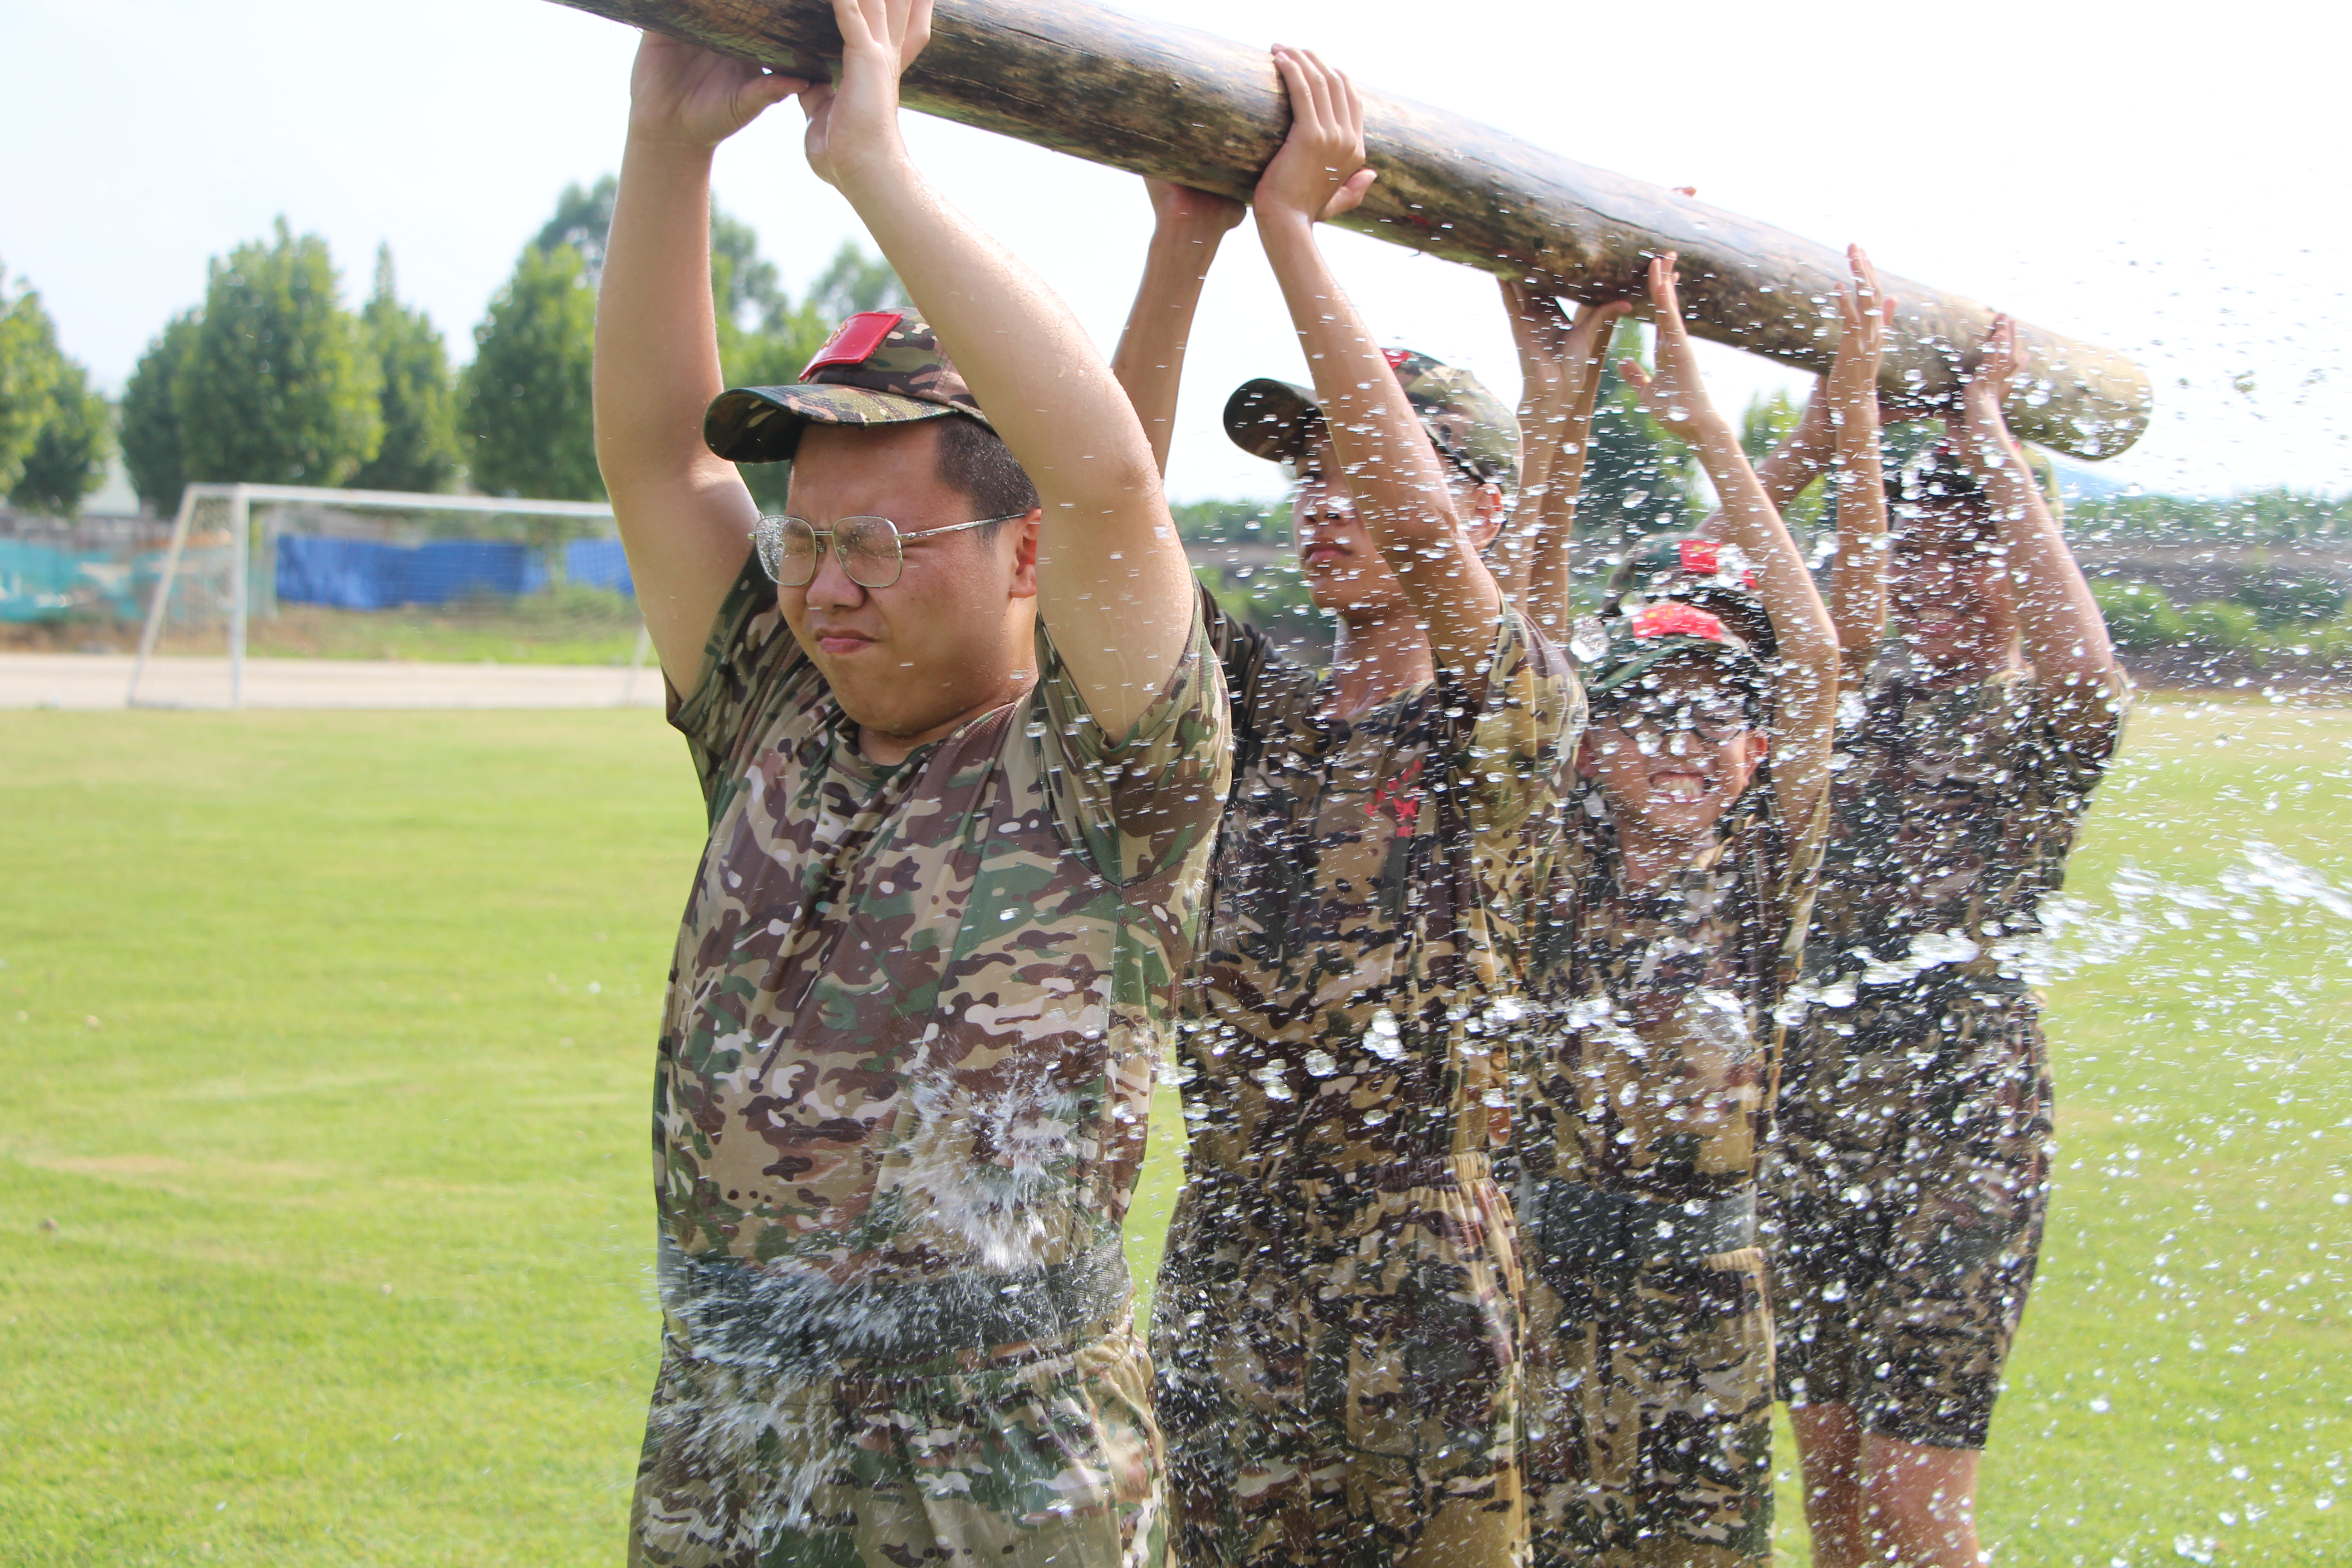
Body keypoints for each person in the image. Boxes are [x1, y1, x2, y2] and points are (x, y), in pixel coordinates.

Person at [591, 2, 1230, 1563]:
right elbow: (663, 466)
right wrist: (666, 152)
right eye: (809, 542)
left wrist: (871, 161)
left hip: (999, 1462)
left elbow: (1108, 477)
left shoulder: (1106, 761)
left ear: (1024, 555)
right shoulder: (773, 710)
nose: (827, 588)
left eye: (880, 544)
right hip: (730, 1425)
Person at [1107, 48, 1584, 1568]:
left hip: (1418, 1262)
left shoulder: (1509, 706)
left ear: (1485, 507)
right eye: (1303, 467)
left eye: (1359, 459)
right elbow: (1107, 531)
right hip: (1231, 1235)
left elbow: (1439, 549)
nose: (1327, 494)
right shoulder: (1260, 708)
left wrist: (1296, 237)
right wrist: (1186, 249)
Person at [1510, 251, 1864, 1568]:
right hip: (1544, 1288)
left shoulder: (1769, 861)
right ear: (1594, 742)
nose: (1679, 742)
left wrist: (1705, 425)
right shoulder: (1553, 847)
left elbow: (1817, 653)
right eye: (1647, 712)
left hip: (1709, 1297)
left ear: (1758, 748)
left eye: (1717, 715)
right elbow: (1531, 635)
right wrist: (1566, 397)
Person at [1766, 316, 2128, 1568]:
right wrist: (1822, 443)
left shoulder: (2037, 733)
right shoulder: (1843, 697)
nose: (1930, 574)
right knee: (1830, 1498)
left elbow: (2093, 680)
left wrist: (1991, 443)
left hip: (1961, 1128)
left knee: (1917, 1504)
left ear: (2015, 566)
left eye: (1960, 551)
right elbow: (1708, 597)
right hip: (1811, 1123)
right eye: (1912, 547)